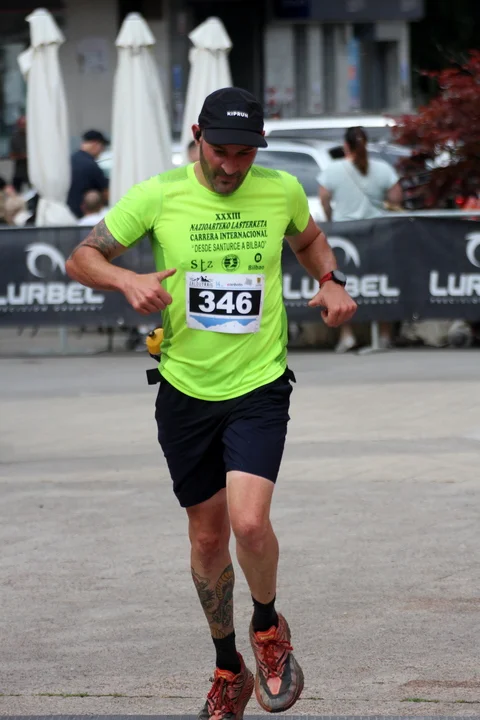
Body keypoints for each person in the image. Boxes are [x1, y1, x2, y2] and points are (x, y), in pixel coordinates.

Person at [65, 87, 356, 720]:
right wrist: (125, 278)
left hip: (259, 385)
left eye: (244, 154)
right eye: (220, 150)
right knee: (206, 538)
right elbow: (81, 258)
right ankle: (229, 669)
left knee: (248, 524)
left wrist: (331, 280)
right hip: (184, 391)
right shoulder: (158, 195)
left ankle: (268, 629)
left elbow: (310, 240)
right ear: (197, 136)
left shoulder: (280, 190)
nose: (230, 166)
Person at [318, 126, 402, 353]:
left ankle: (347, 335)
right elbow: (396, 198)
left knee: (342, 286)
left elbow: (324, 198)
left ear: (346, 145)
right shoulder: (383, 168)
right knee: (381, 284)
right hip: (379, 233)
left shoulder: (333, 169)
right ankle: (384, 335)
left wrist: (330, 219)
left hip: (346, 234)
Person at [67, 129, 109, 219]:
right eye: (102, 147)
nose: (102, 151)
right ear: (96, 144)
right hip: (85, 217)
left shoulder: (69, 160)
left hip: (67, 215)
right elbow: (105, 193)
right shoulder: (91, 165)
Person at [9, 115, 29, 193]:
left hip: (31, 171)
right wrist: (22, 156)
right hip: (19, 171)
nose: (23, 127)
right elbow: (12, 155)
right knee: (15, 192)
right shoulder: (15, 138)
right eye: (21, 124)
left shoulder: (32, 136)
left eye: (24, 124)